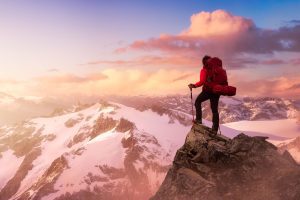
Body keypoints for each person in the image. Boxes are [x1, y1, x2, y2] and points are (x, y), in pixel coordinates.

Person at [188, 56, 222, 134]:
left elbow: (202, 81)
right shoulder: (216, 70)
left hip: (208, 90)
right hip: (217, 91)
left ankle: (199, 119)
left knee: (197, 102)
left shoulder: (204, 70)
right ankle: (215, 129)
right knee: (214, 110)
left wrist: (194, 85)